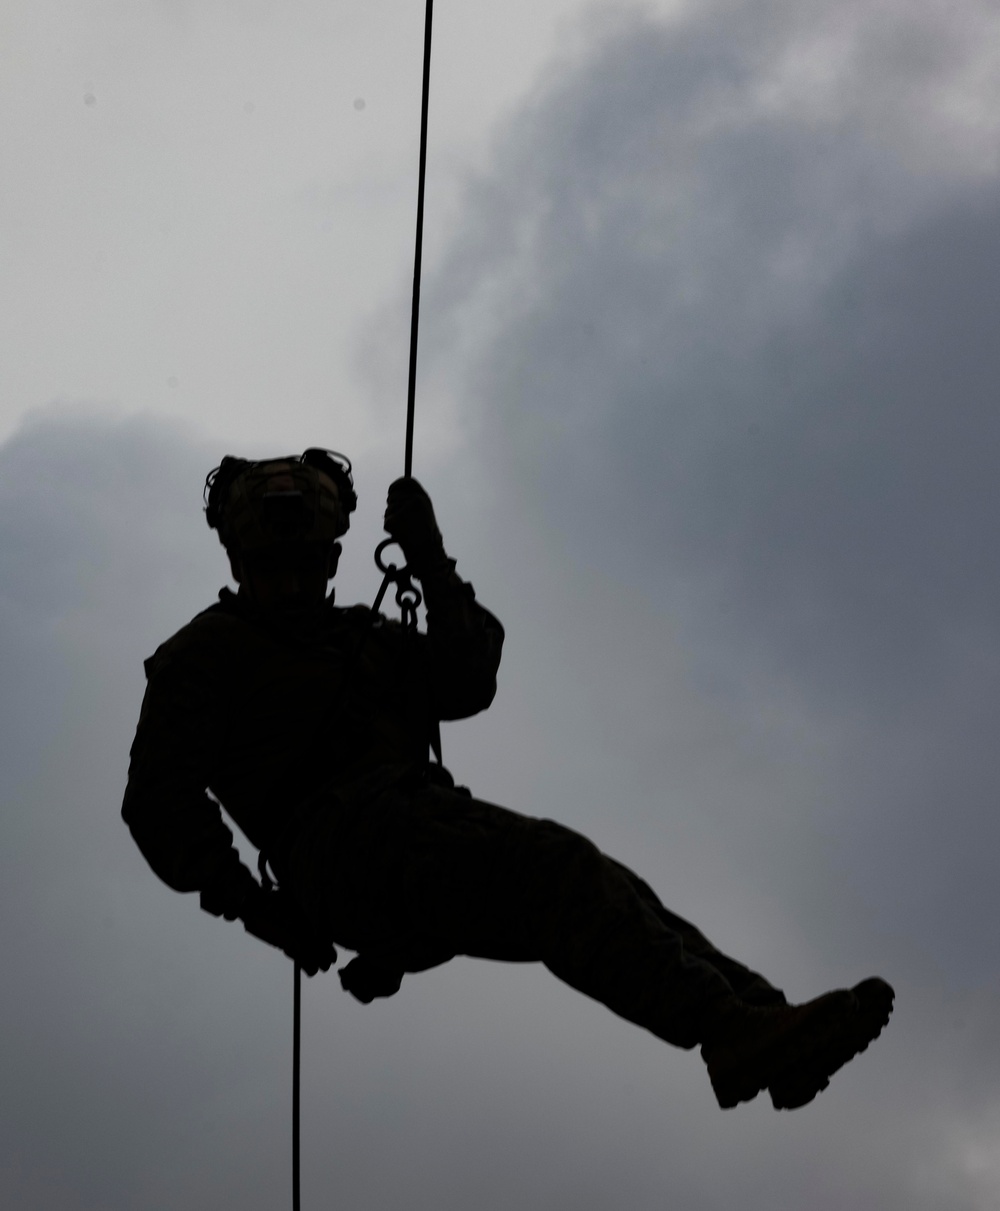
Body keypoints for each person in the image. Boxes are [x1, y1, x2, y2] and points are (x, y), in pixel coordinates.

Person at [122, 449, 893, 1112]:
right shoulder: (207, 654)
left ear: (330, 559)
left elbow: (466, 682)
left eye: (306, 565)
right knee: (555, 869)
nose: (290, 583)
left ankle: (764, 1028)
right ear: (237, 562)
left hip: (419, 833)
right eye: (270, 568)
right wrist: (261, 910)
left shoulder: (368, 639)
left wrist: (430, 559)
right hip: (344, 850)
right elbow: (159, 802)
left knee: (606, 888)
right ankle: (731, 1032)